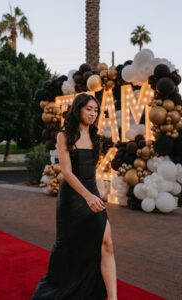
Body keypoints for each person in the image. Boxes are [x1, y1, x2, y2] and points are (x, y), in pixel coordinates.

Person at [31, 93, 117, 300]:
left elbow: (90, 172)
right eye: (88, 109)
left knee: (107, 243)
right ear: (78, 109)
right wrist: (87, 197)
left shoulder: (96, 138)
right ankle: (64, 287)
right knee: (70, 247)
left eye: (96, 110)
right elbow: (67, 173)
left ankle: (112, 298)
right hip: (72, 199)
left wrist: (95, 194)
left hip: (91, 193)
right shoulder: (64, 135)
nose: (93, 114)